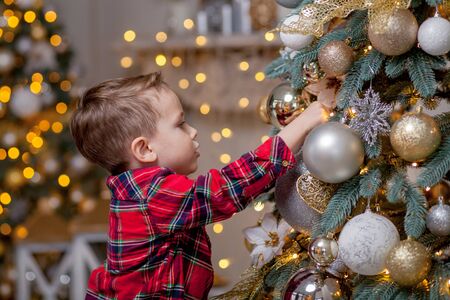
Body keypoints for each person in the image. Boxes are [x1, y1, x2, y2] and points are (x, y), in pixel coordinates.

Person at [70, 72, 330, 299]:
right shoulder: (150, 195)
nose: (192, 131)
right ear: (145, 149)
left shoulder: (140, 191)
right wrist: (303, 123)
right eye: (180, 124)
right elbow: (225, 190)